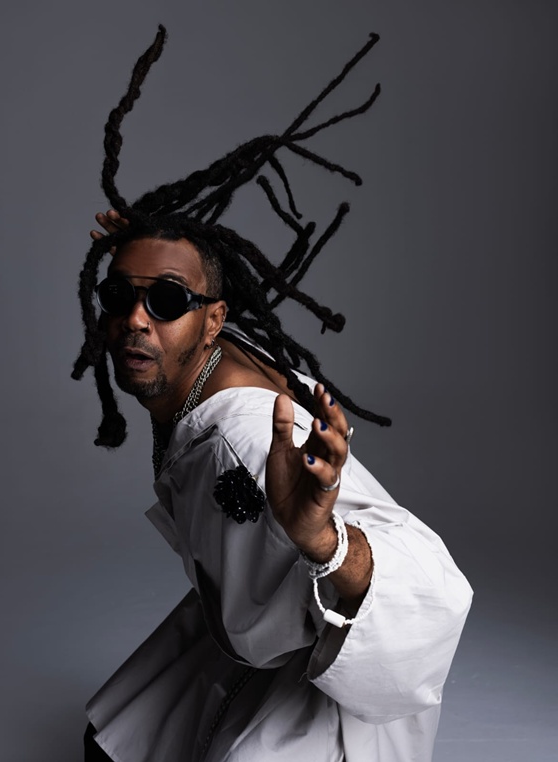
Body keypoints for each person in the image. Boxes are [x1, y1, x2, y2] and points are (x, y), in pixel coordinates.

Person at [74, 26, 472, 762]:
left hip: (340, 687)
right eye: (120, 295)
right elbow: (170, 293)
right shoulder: (212, 352)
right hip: (257, 633)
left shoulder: (248, 441)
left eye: (166, 300)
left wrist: (324, 543)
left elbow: (437, 594)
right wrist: (154, 252)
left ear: (212, 319)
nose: (135, 319)